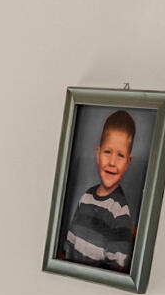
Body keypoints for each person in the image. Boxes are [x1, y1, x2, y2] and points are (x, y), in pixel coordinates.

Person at [59, 108, 139, 273]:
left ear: (128, 162)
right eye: (107, 152)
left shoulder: (120, 212)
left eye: (120, 155)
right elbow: (70, 241)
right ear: (98, 154)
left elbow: (117, 267)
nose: (112, 162)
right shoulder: (87, 196)